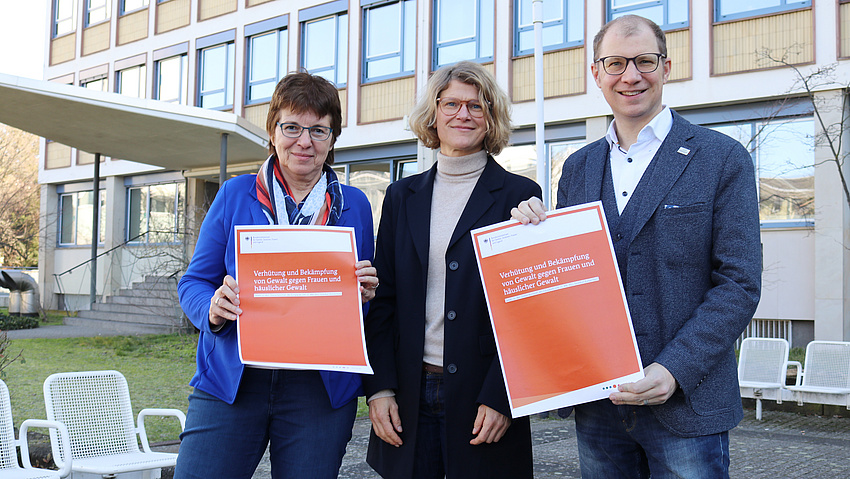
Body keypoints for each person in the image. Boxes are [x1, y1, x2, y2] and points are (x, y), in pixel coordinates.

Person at [512, 15, 762, 478]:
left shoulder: (722, 157)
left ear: (666, 67)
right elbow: (567, 282)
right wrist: (531, 234)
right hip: (600, 406)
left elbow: (739, 284)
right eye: (615, 64)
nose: (631, 76)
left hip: (687, 405)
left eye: (645, 61)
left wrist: (674, 368)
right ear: (596, 74)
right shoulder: (578, 168)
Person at [175, 72, 378, 479]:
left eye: (319, 130)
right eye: (292, 127)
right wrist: (213, 308)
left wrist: (364, 297)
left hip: (318, 390)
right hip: (234, 380)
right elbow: (192, 283)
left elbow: (362, 308)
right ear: (273, 131)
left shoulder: (356, 205)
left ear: (333, 139)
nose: (305, 141)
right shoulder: (235, 195)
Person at [363, 61, 540, 479]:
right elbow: (384, 300)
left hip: (483, 394)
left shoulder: (520, 198)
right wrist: (380, 388)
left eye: (477, 106)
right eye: (452, 104)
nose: (464, 114)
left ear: (490, 117)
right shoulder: (401, 196)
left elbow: (529, 313)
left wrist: (503, 395)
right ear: (434, 113)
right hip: (408, 393)